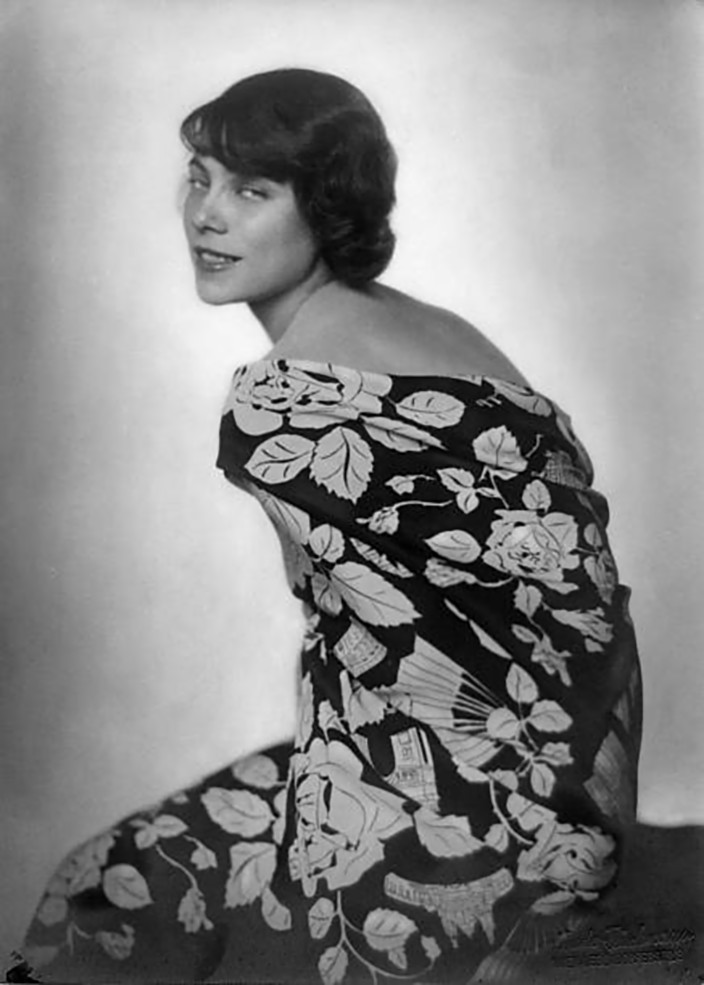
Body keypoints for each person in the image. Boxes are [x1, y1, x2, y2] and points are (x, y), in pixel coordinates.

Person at [10, 68, 642, 984]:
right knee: (134, 866)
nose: (205, 215)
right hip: (580, 795)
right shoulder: (447, 332)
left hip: (466, 821)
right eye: (199, 178)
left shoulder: (279, 402)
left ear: (325, 206)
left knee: (102, 891)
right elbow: (561, 616)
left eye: (251, 191)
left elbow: (354, 640)